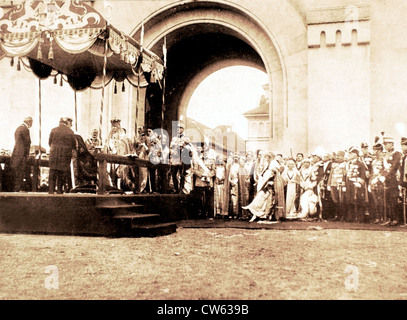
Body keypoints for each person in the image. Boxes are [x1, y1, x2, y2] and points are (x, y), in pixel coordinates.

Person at [48, 117, 76, 194]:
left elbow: (49, 142)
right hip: (65, 155)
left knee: (53, 171)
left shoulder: (53, 130)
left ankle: (51, 190)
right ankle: (60, 190)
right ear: (66, 123)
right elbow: (74, 145)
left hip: (54, 154)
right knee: (62, 173)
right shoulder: (70, 132)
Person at [382, 136, 402, 226]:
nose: (385, 146)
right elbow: (383, 168)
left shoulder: (397, 154)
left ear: (391, 144)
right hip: (387, 180)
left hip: (394, 180)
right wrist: (382, 175)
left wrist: (386, 175)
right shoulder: (386, 155)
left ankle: (396, 219)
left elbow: (394, 167)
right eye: (384, 144)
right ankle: (390, 218)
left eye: (386, 144)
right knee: (388, 200)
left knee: (394, 200)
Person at [344, 147, 367, 222]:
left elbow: (363, 175)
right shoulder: (348, 163)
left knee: (358, 200)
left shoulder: (360, 164)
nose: (350, 155)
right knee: (349, 200)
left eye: (351, 153)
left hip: (356, 183)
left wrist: (360, 182)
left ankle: (360, 218)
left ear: (355, 154)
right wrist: (344, 181)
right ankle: (351, 217)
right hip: (349, 183)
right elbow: (345, 174)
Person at [10, 116, 33, 192]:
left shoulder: (19, 128)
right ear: (29, 122)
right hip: (22, 154)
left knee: (17, 172)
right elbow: (27, 143)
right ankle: (18, 188)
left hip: (17, 153)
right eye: (31, 122)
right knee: (20, 172)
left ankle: (16, 188)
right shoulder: (25, 129)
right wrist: (27, 154)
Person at [170, 122, 185, 193]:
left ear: (183, 129)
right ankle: (176, 188)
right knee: (174, 174)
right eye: (178, 128)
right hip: (175, 158)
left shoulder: (185, 138)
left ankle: (181, 188)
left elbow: (185, 147)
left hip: (182, 158)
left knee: (182, 174)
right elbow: (171, 147)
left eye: (180, 128)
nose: (178, 129)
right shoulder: (174, 138)